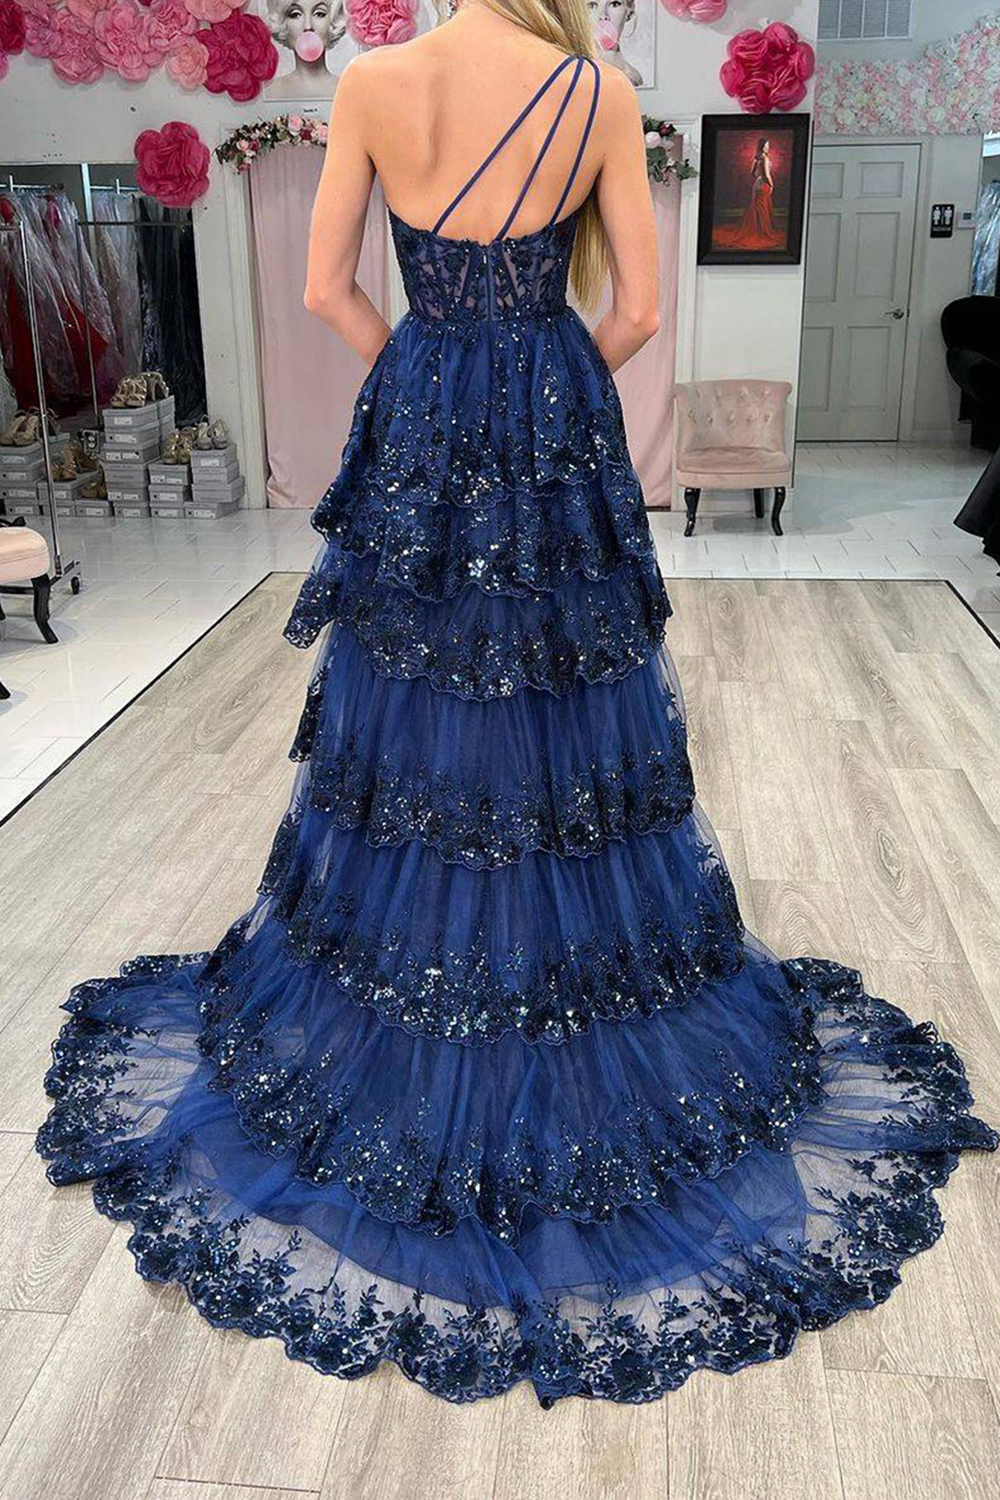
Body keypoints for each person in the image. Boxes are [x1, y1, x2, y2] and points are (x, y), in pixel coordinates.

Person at [37, 0, 996, 1409]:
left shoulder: (376, 82)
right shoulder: (592, 89)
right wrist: (543, 389)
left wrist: (428, 379)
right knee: (562, 701)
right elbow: (641, 313)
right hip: (552, 434)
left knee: (413, 698)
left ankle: (424, 979)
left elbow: (325, 290)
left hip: (423, 426)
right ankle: (553, 973)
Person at [714, 137, 783, 253]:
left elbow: (752, 172)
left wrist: (758, 178)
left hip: (757, 184)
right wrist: (771, 185)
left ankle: (757, 230)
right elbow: (766, 175)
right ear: (762, 147)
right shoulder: (764, 158)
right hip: (764, 184)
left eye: (768, 146)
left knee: (757, 208)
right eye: (766, 146)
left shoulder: (757, 158)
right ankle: (761, 231)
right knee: (762, 209)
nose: (768, 148)